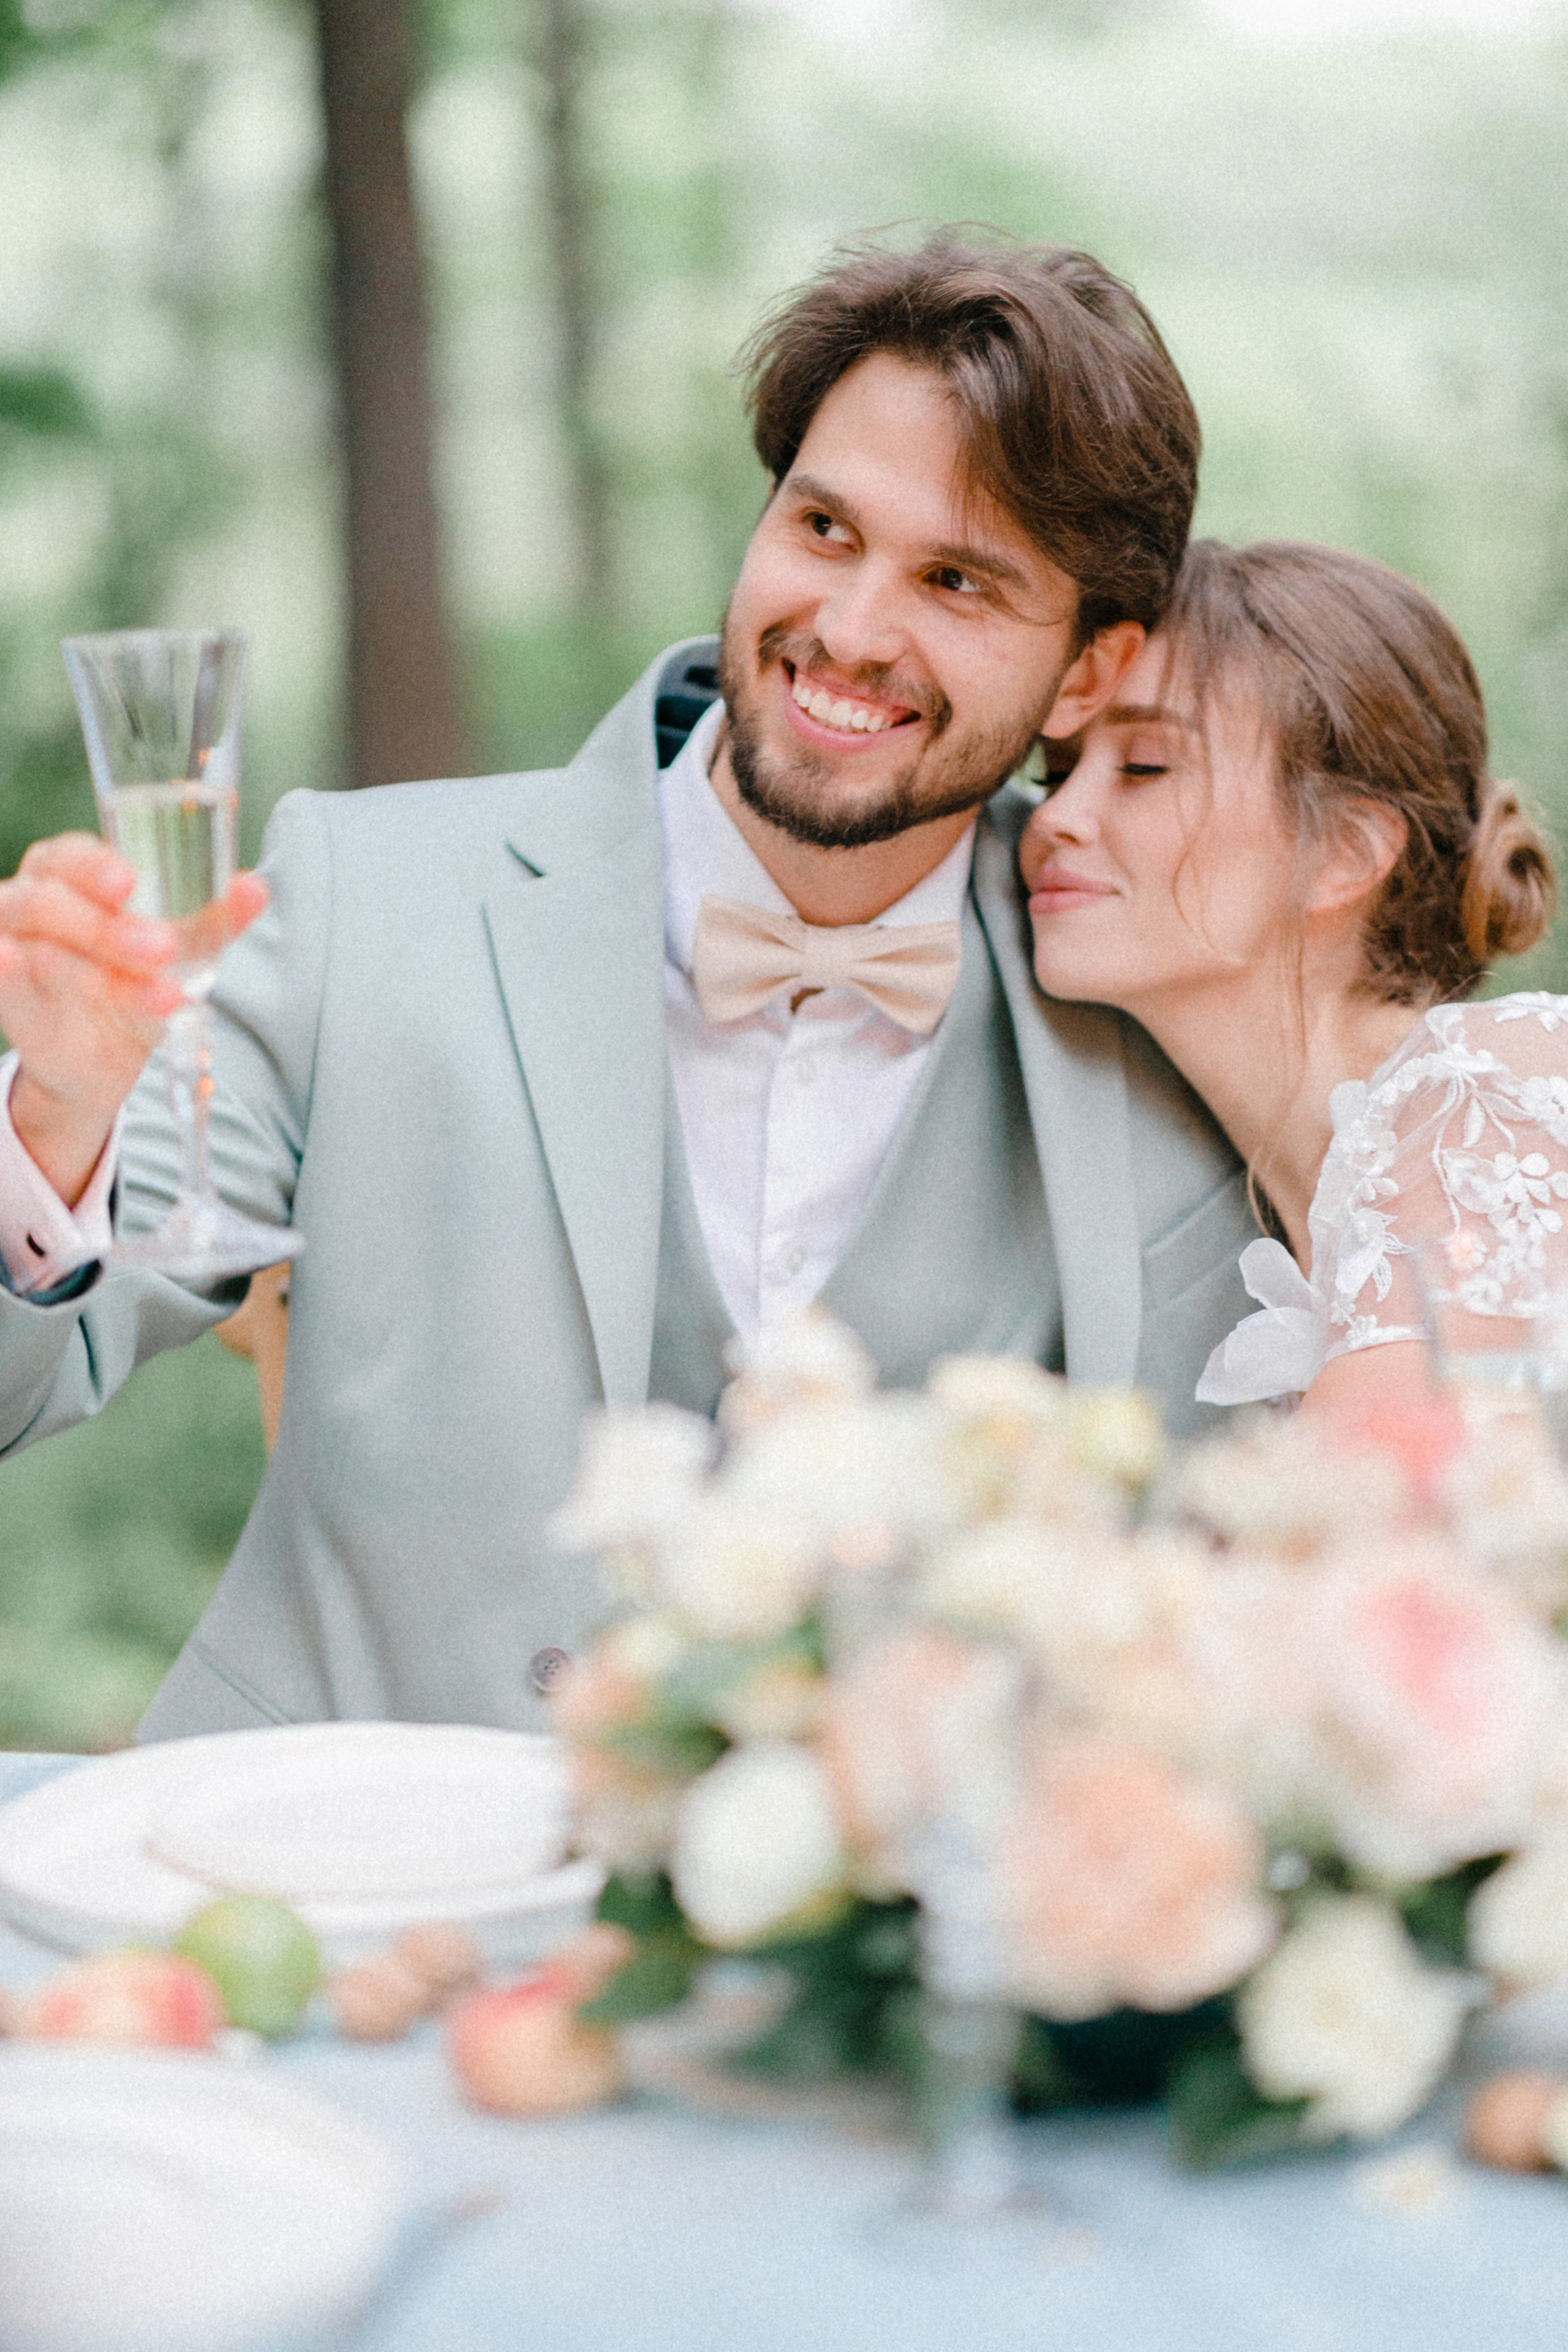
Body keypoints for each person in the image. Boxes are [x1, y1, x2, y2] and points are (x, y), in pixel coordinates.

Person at [0, 233, 1256, 1741]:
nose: (851, 630)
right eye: (823, 529)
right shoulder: (358, 894)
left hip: (879, 1948)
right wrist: (58, 1119)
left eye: (956, 581)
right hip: (324, 1887)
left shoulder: (1149, 1003)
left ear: (1079, 675)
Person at [1020, 535, 1559, 1411]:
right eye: (1056, 772)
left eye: (1146, 766)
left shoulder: (1496, 1100)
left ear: (1344, 853)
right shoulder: (1287, 1255)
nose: (1056, 820)